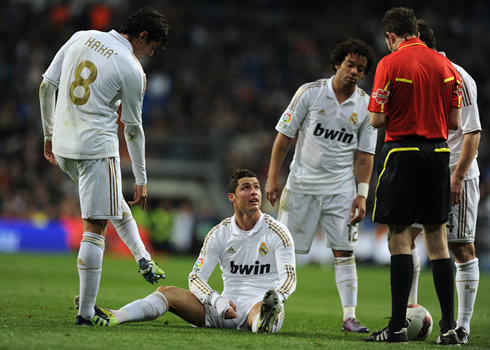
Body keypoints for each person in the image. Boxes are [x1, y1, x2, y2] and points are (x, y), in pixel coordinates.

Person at [39, 8, 169, 325]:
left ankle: (143, 258)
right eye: (152, 47)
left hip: (63, 146)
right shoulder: (132, 69)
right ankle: (86, 313)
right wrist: (141, 178)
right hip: (96, 147)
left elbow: (46, 87)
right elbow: (133, 129)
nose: (150, 53)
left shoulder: (80, 36)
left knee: (109, 200)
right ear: (142, 37)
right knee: (96, 226)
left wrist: (48, 134)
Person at [75, 169, 297, 333]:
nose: (254, 192)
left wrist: (276, 296)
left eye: (257, 187)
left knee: (266, 309)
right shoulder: (219, 234)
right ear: (232, 197)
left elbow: (289, 279)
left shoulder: (277, 232)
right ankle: (116, 316)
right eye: (246, 187)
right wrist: (216, 300)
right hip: (224, 307)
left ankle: (263, 320)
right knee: (167, 292)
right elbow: (196, 278)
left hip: (259, 303)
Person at [364, 8, 462, 344]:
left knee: (399, 237)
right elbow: (454, 122)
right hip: (438, 153)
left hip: (402, 151)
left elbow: (376, 120)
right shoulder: (445, 65)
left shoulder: (389, 64)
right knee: (437, 239)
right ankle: (450, 329)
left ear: (391, 36)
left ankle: (396, 328)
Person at [265, 39, 376, 333]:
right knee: (285, 250)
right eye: (350, 65)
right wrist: (272, 177)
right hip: (301, 185)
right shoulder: (310, 93)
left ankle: (349, 316)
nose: (354, 72)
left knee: (345, 251)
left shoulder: (366, 106)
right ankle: (272, 305)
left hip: (341, 189)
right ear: (337, 64)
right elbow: (284, 137)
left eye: (361, 69)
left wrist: (362, 195)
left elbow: (365, 155)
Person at [407, 19, 482, 345]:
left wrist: (458, 177)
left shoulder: (457, 76)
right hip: (419, 171)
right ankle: (408, 310)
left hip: (453, 173)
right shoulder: (412, 73)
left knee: (461, 248)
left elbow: (472, 132)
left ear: (419, 40)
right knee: (402, 236)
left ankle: (461, 326)